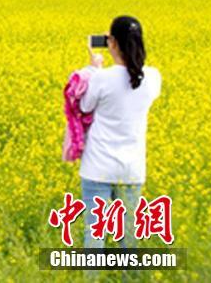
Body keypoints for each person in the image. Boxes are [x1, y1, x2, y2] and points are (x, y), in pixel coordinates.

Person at [78, 15, 161, 249]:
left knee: (94, 235)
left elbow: (85, 106)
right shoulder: (153, 78)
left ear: (111, 42)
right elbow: (134, 77)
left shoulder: (101, 78)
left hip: (98, 167)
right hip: (132, 169)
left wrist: (94, 68)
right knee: (129, 238)